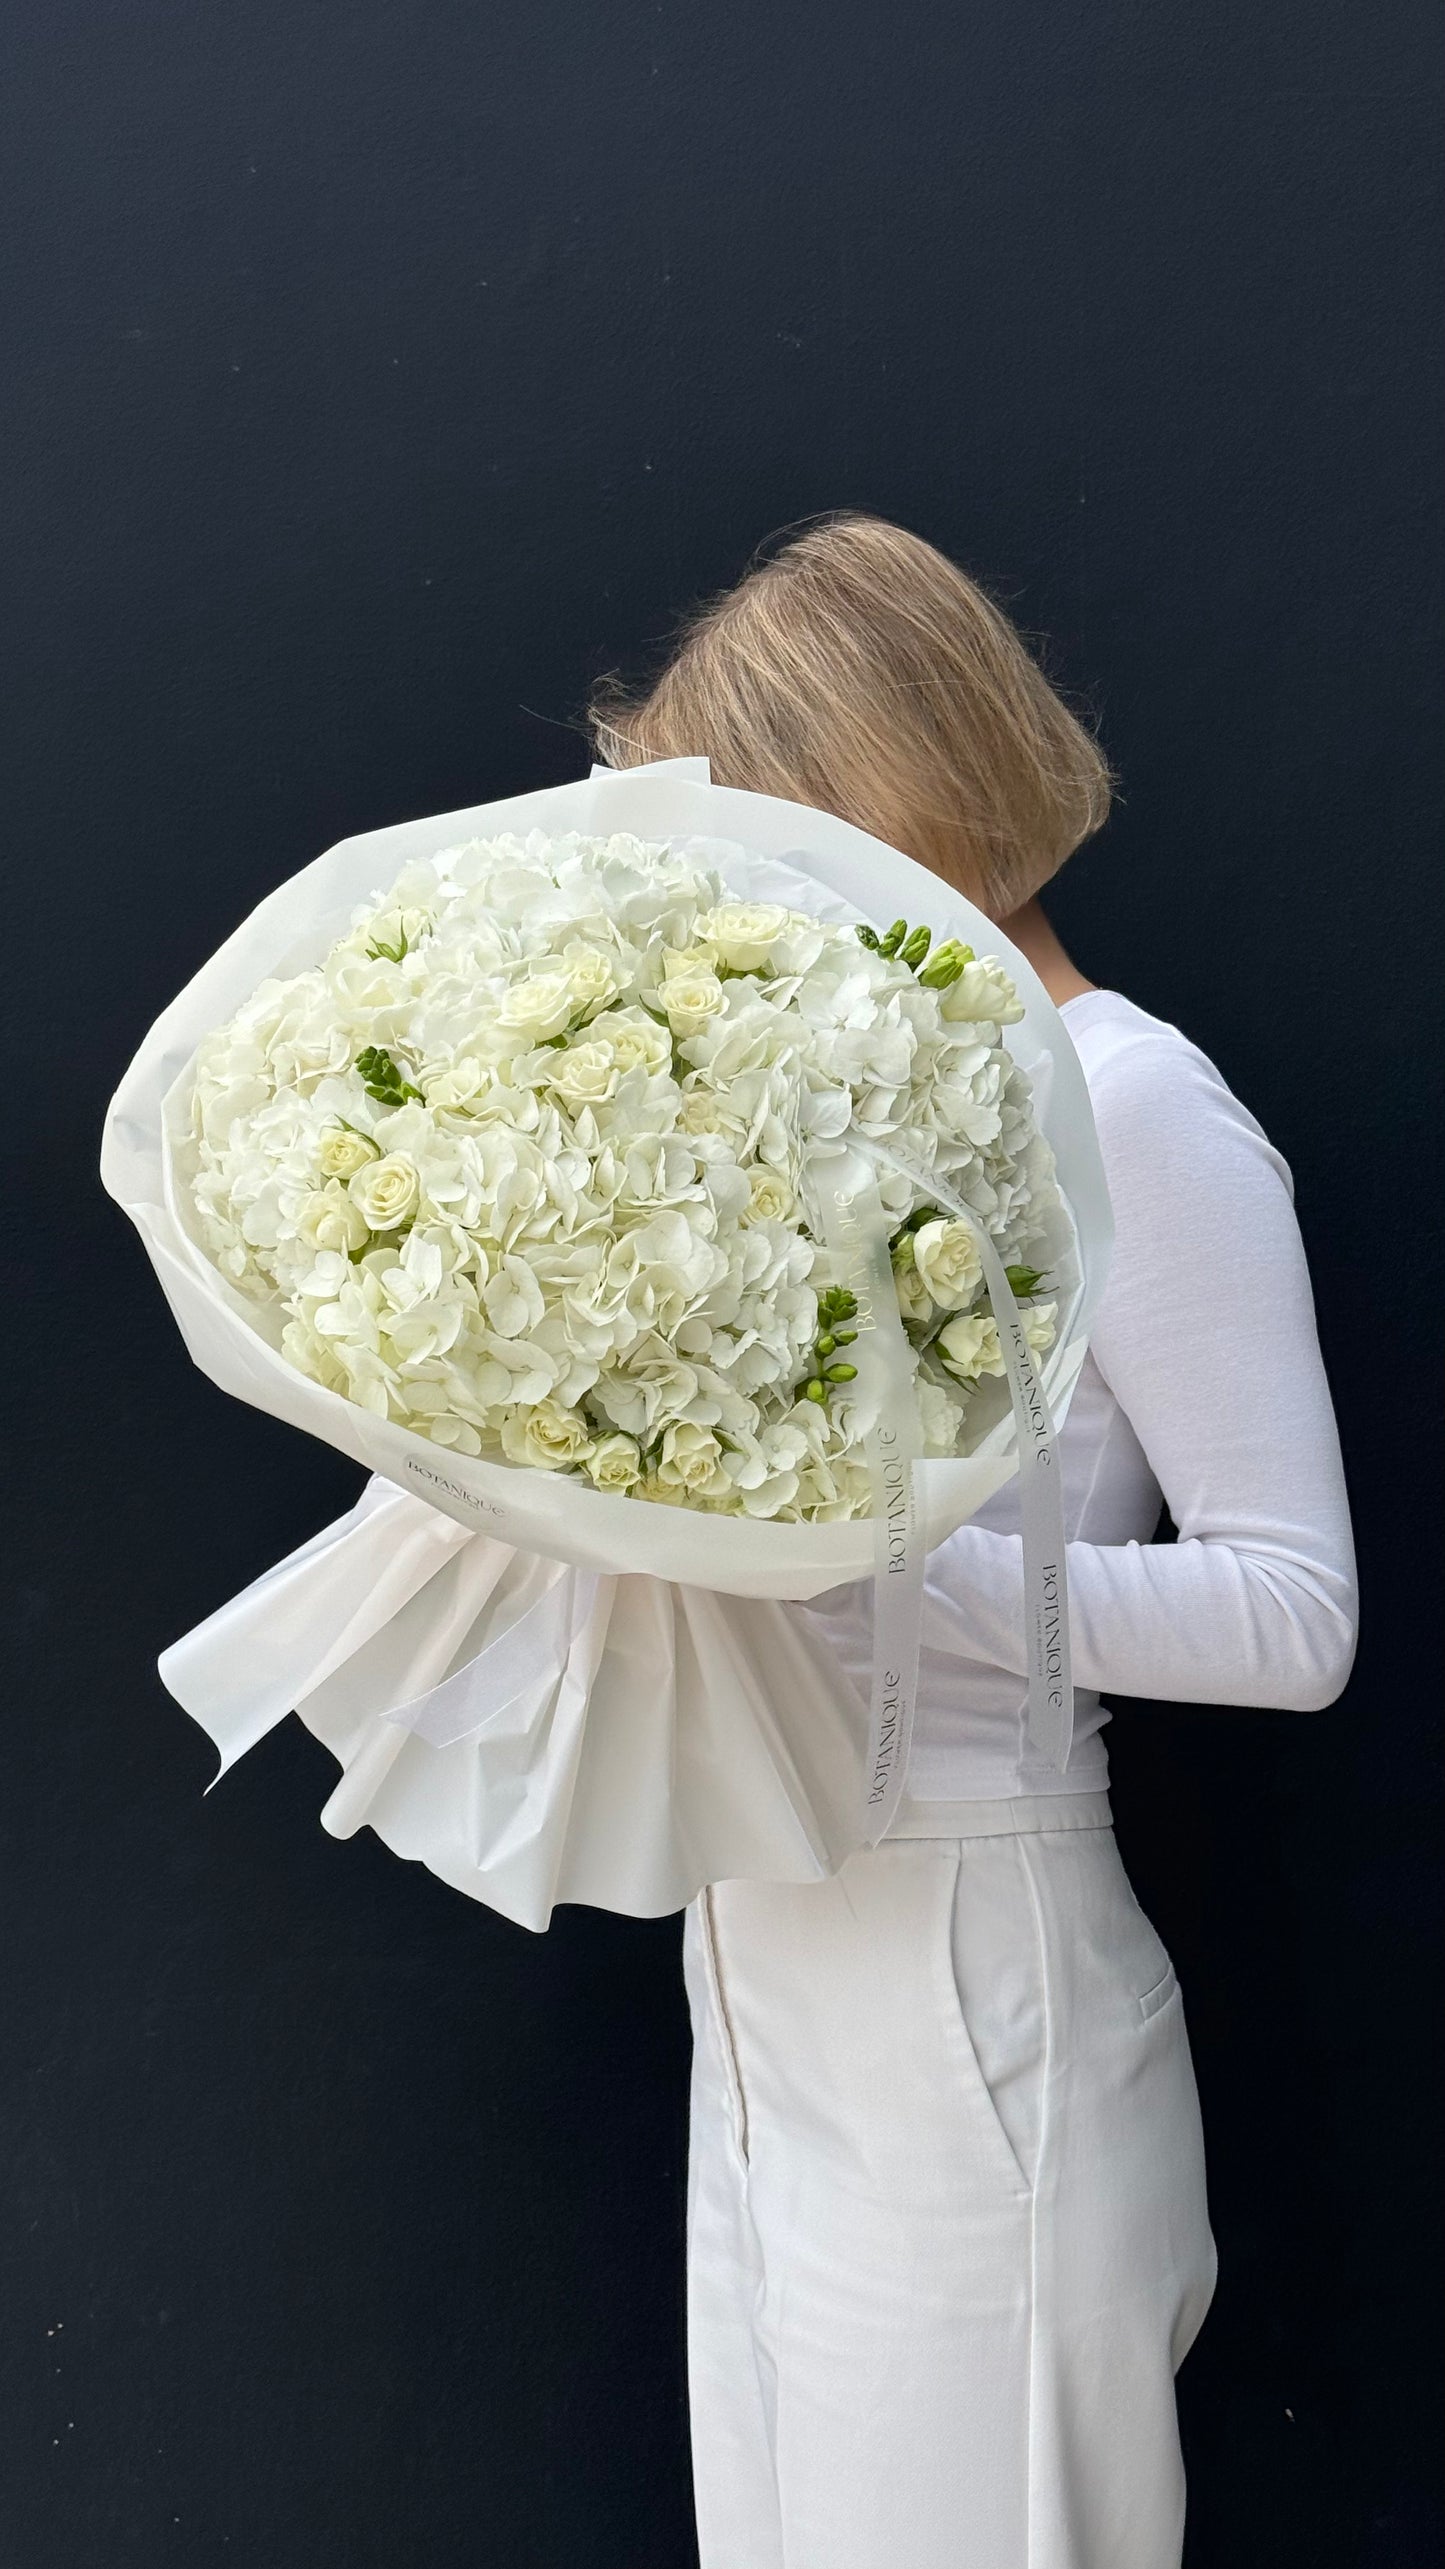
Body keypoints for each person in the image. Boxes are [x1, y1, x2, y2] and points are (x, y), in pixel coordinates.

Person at [589, 514, 1358, 2569]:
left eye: (751, 832)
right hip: (764, 1966)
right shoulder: (863, 1119)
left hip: (970, 1991)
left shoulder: (1130, 1101)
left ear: (877, 801)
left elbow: (1294, 1614)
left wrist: (859, 1563)